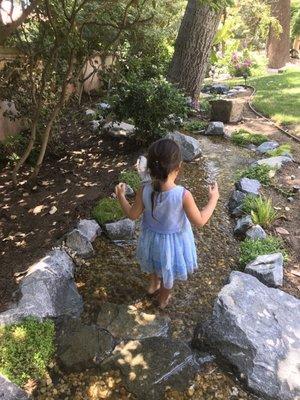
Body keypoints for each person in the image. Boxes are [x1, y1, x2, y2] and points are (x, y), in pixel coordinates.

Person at [115, 138, 219, 309]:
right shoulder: (183, 195)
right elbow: (200, 221)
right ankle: (162, 300)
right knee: (168, 269)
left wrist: (121, 196)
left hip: (151, 239)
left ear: (151, 168)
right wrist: (213, 198)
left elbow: (132, 215)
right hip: (173, 243)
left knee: (155, 262)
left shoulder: (144, 188)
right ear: (177, 168)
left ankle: (153, 285)